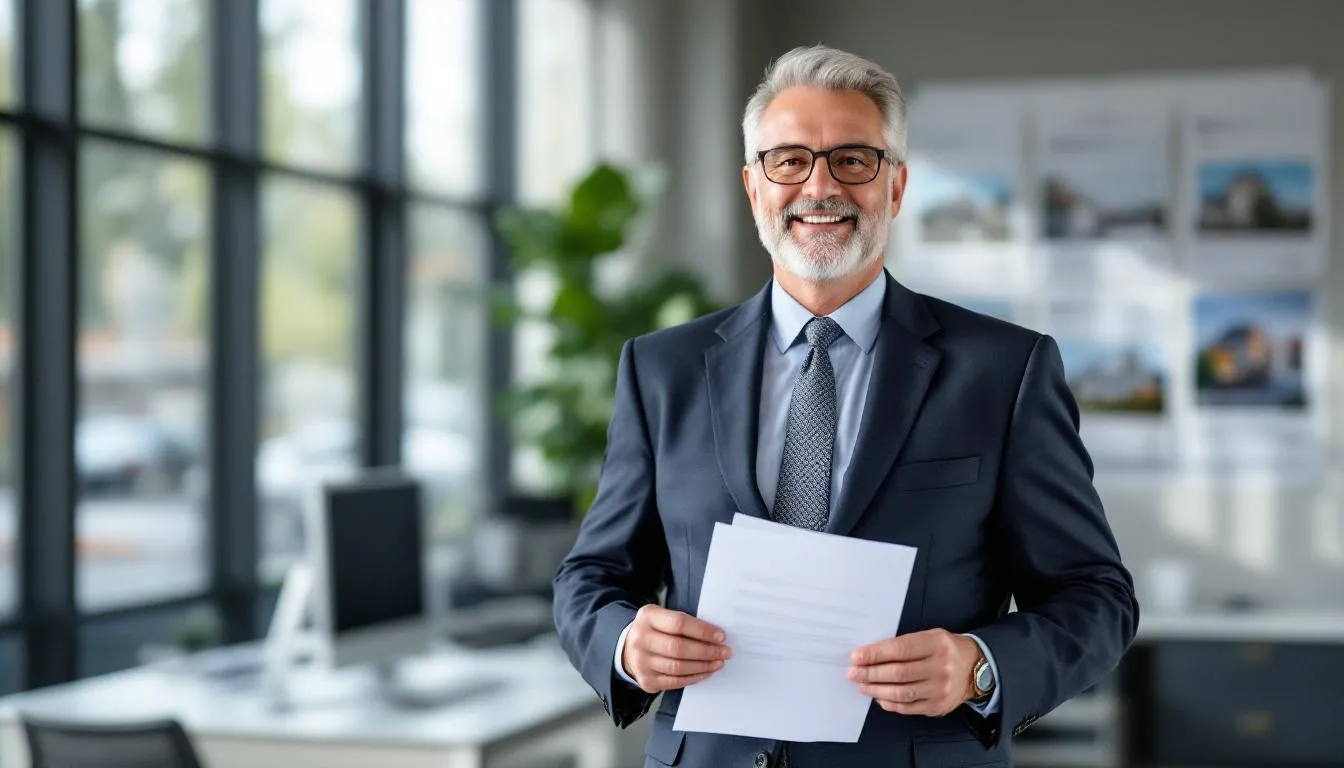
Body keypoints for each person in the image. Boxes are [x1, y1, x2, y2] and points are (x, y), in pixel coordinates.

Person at [552, 44, 1138, 768]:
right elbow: (591, 577)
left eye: (853, 160)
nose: (820, 187)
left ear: (894, 187)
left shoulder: (1004, 370)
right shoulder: (661, 369)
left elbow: (1097, 599)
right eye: (789, 160)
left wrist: (981, 663)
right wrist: (624, 642)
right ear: (753, 187)